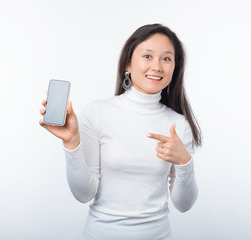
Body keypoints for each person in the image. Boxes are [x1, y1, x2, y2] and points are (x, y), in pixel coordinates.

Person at [39, 23, 202, 240]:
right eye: (147, 56)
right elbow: (83, 194)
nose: (157, 66)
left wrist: (185, 163)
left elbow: (184, 204)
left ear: (175, 67)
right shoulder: (97, 113)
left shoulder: (178, 124)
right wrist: (72, 144)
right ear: (128, 63)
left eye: (166, 58)